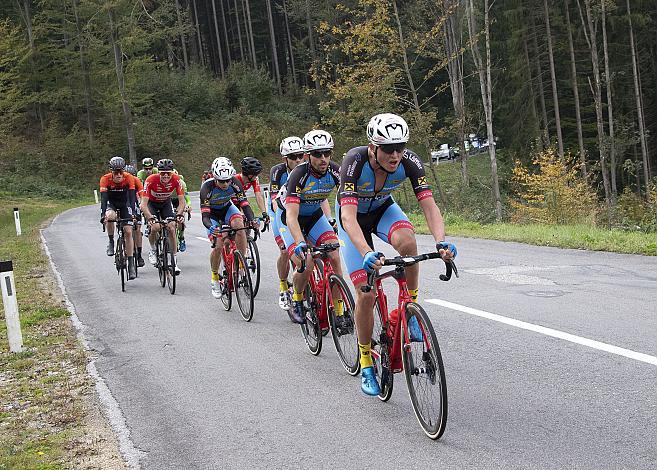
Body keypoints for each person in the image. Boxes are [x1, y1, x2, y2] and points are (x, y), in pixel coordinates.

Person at [336, 113, 457, 396]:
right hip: (352, 221)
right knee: (365, 294)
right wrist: (366, 251)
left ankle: (411, 309)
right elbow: (348, 217)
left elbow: (429, 205)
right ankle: (366, 360)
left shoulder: (409, 162)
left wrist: (441, 242)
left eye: (400, 147)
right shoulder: (354, 161)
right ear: (372, 147)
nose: (395, 154)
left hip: (381, 211)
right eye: (388, 149)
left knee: (409, 245)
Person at [274, 130, 345, 325]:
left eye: (327, 153)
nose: (323, 159)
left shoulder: (335, 170)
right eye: (317, 154)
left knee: (335, 255)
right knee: (306, 262)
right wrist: (299, 242)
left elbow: (347, 201)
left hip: (314, 217)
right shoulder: (299, 174)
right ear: (307, 156)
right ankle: (297, 298)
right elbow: (291, 215)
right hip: (288, 219)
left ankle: (339, 311)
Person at [200, 157, 256, 299]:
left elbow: (244, 204)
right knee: (218, 245)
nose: (225, 184)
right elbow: (205, 216)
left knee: (240, 225)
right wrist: (211, 228)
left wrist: (252, 219)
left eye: (227, 180)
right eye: (221, 181)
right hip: (212, 214)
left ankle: (241, 264)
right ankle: (214, 278)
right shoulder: (207, 187)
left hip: (227, 208)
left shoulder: (235, 182)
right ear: (214, 177)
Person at [269, 136, 304, 311]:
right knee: (284, 251)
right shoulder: (278, 171)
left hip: (300, 210)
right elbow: (275, 201)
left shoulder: (307, 169)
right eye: (293, 157)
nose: (297, 160)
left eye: (300, 155)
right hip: (280, 212)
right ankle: (283, 287)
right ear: (285, 159)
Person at [140, 159, 186, 275]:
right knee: (155, 227)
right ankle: (153, 250)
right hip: (152, 204)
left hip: (166, 203)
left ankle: (174, 262)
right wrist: (150, 217)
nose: (165, 175)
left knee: (171, 227)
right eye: (162, 173)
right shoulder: (150, 180)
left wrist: (179, 214)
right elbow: (143, 205)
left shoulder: (176, 179)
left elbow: (182, 202)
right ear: (158, 172)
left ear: (172, 173)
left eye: (168, 173)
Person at [99, 156, 137, 279]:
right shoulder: (105, 179)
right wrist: (103, 214)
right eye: (116, 172)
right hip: (112, 204)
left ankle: (131, 263)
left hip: (125, 204)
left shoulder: (129, 178)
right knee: (110, 216)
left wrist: (133, 214)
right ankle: (111, 241)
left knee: (128, 231)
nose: (119, 174)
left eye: (121, 171)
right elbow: (104, 200)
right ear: (112, 171)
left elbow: (132, 198)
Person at [233, 156, 269, 229]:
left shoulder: (254, 180)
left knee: (249, 220)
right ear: (250, 175)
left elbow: (258, 196)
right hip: (230, 203)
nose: (256, 177)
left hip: (241, 202)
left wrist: (264, 213)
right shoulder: (235, 179)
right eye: (255, 175)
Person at [125, 164, 145, 267]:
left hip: (134, 204)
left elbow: (142, 194)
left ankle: (139, 255)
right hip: (123, 204)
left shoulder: (137, 182)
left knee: (137, 229)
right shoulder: (121, 182)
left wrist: (142, 204)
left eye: (132, 175)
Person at [171, 169, 192, 252]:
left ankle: (181, 238)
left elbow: (186, 198)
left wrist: (188, 205)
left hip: (179, 200)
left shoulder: (181, 184)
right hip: (167, 200)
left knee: (180, 220)